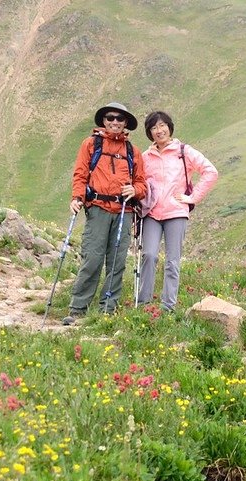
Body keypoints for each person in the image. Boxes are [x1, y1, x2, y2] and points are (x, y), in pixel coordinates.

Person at [64, 102, 147, 325]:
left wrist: (135, 190)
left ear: (126, 123)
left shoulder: (133, 151)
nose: (114, 122)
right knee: (92, 258)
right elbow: (81, 174)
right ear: (103, 120)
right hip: (98, 209)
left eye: (120, 119)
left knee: (117, 262)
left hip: (123, 211)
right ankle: (78, 308)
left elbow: (141, 183)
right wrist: (77, 198)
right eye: (110, 118)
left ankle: (108, 310)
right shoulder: (91, 144)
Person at [137, 111, 218, 311]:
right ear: (149, 132)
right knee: (148, 255)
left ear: (170, 127)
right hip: (152, 214)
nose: (159, 130)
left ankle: (168, 306)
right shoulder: (145, 157)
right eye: (154, 127)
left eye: (163, 125)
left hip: (176, 212)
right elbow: (139, 183)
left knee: (172, 261)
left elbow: (210, 171)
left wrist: (192, 198)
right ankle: (143, 304)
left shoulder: (184, 151)